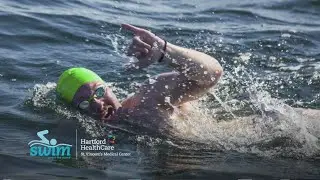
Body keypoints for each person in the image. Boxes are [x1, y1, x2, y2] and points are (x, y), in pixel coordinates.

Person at [56, 24, 223, 124]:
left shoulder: (147, 97)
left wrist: (165, 51)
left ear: (109, 87)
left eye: (99, 92)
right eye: (84, 104)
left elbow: (212, 74)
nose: (98, 105)